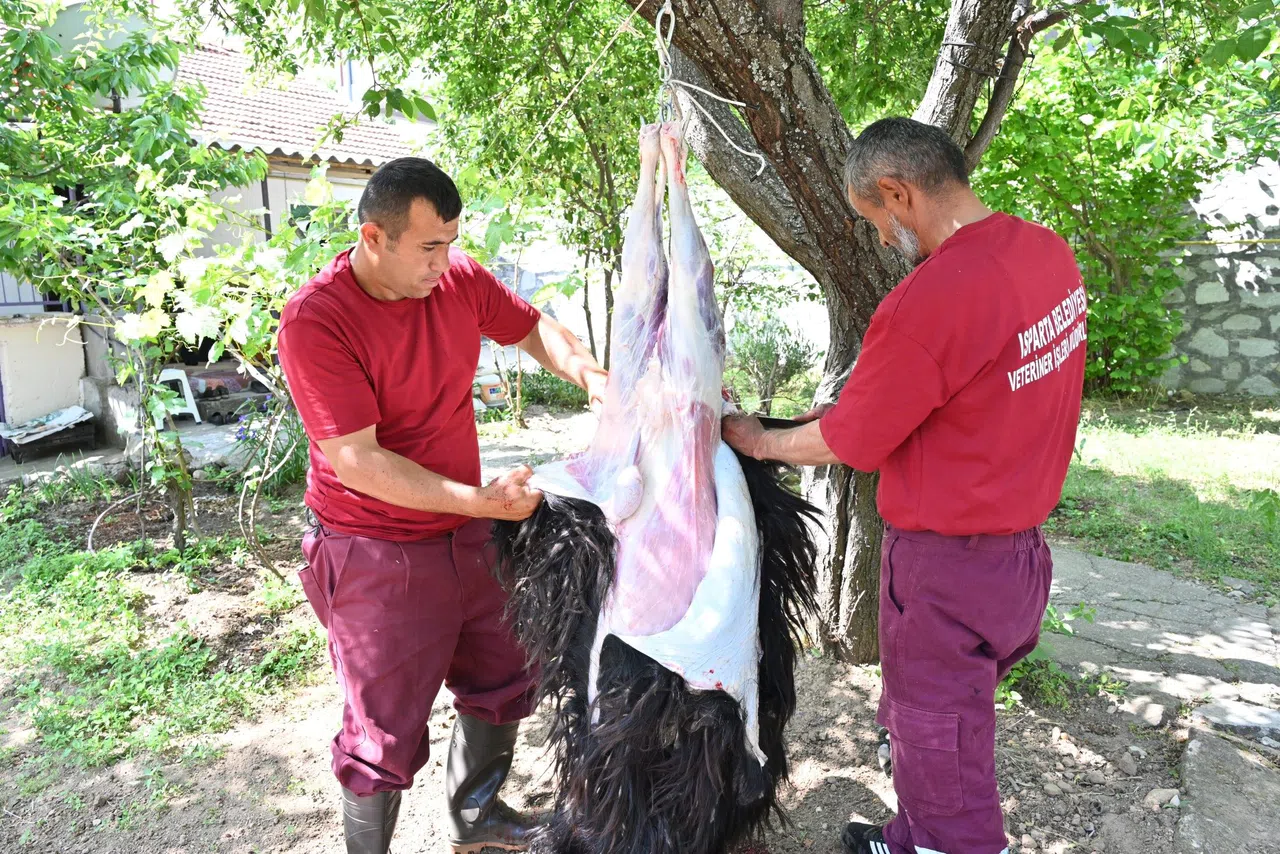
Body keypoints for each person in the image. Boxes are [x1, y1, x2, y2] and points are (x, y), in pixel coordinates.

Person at [722, 117, 1086, 854]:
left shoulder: (934, 299)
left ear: (898, 192)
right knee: (937, 725)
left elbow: (846, 441)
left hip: (945, 570)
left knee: (942, 747)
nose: (886, 241)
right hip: (1018, 562)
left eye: (878, 222)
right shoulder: (1046, 254)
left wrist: (757, 439)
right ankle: (908, 835)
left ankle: (941, 842)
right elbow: (953, 393)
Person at [277, 156, 608, 854]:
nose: (444, 261)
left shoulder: (457, 280)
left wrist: (587, 373)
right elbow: (358, 461)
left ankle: (477, 818)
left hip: (466, 530)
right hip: (373, 547)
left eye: (451, 242)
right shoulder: (318, 320)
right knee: (382, 730)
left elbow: (531, 327)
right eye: (429, 246)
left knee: (503, 674)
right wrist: (477, 499)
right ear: (374, 237)